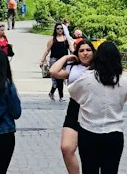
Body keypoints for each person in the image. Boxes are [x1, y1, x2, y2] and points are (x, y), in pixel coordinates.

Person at [68, 40, 127, 174]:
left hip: (89, 132)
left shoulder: (87, 79)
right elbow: (123, 100)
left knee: (89, 170)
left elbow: (73, 93)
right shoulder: (124, 82)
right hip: (115, 133)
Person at [49, 35, 95, 173]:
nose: (85, 53)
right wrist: (66, 58)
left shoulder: (99, 68)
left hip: (93, 109)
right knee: (66, 148)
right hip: (75, 107)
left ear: (93, 52)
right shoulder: (72, 68)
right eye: (81, 50)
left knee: (90, 152)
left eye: (88, 50)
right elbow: (53, 71)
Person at [41, 22, 71, 100]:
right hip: (54, 60)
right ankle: (61, 96)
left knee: (60, 78)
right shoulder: (52, 39)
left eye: (61, 28)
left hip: (64, 60)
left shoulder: (66, 38)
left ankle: (51, 93)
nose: (60, 30)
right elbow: (47, 50)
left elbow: (71, 49)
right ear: (55, 29)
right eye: (58, 28)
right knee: (58, 79)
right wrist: (42, 60)